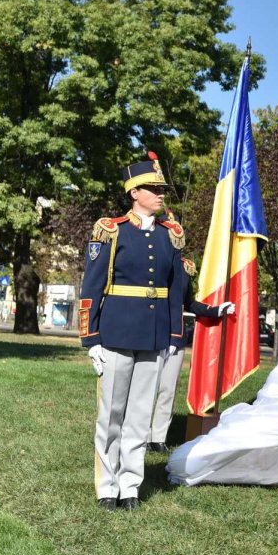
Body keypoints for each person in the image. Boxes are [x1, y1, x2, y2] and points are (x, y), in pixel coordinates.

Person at [79, 153, 233, 510]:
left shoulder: (170, 236)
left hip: (151, 338)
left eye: (162, 188)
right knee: (112, 414)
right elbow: (92, 288)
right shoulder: (111, 230)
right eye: (153, 188)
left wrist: (167, 336)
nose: (161, 194)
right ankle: (107, 486)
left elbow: (174, 291)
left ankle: (130, 485)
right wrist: (91, 339)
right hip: (116, 334)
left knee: (138, 416)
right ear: (134, 192)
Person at [146, 248, 234, 453]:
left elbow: (189, 302)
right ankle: (137, 436)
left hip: (175, 336)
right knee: (144, 390)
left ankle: (157, 438)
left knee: (167, 390)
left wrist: (215, 310)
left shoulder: (185, 267)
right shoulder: (147, 258)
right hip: (149, 334)